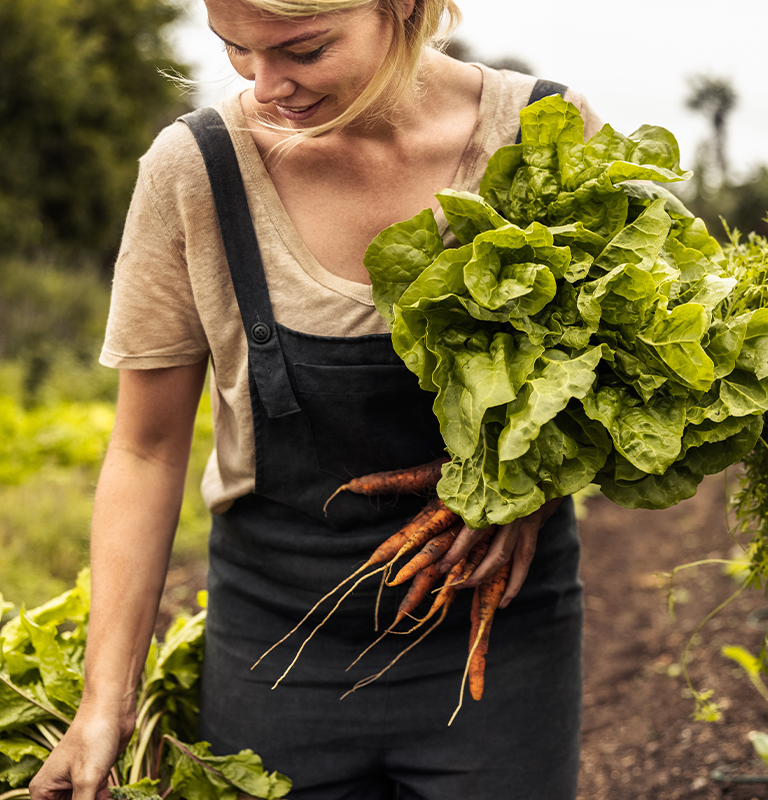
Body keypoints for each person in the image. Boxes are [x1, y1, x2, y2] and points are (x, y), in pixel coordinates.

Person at [29, 1, 602, 798]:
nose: (268, 87)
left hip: (495, 641)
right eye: (236, 50)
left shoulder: (542, 134)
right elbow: (145, 447)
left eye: (303, 49)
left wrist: (522, 489)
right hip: (276, 649)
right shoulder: (198, 168)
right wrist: (103, 700)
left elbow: (625, 382)